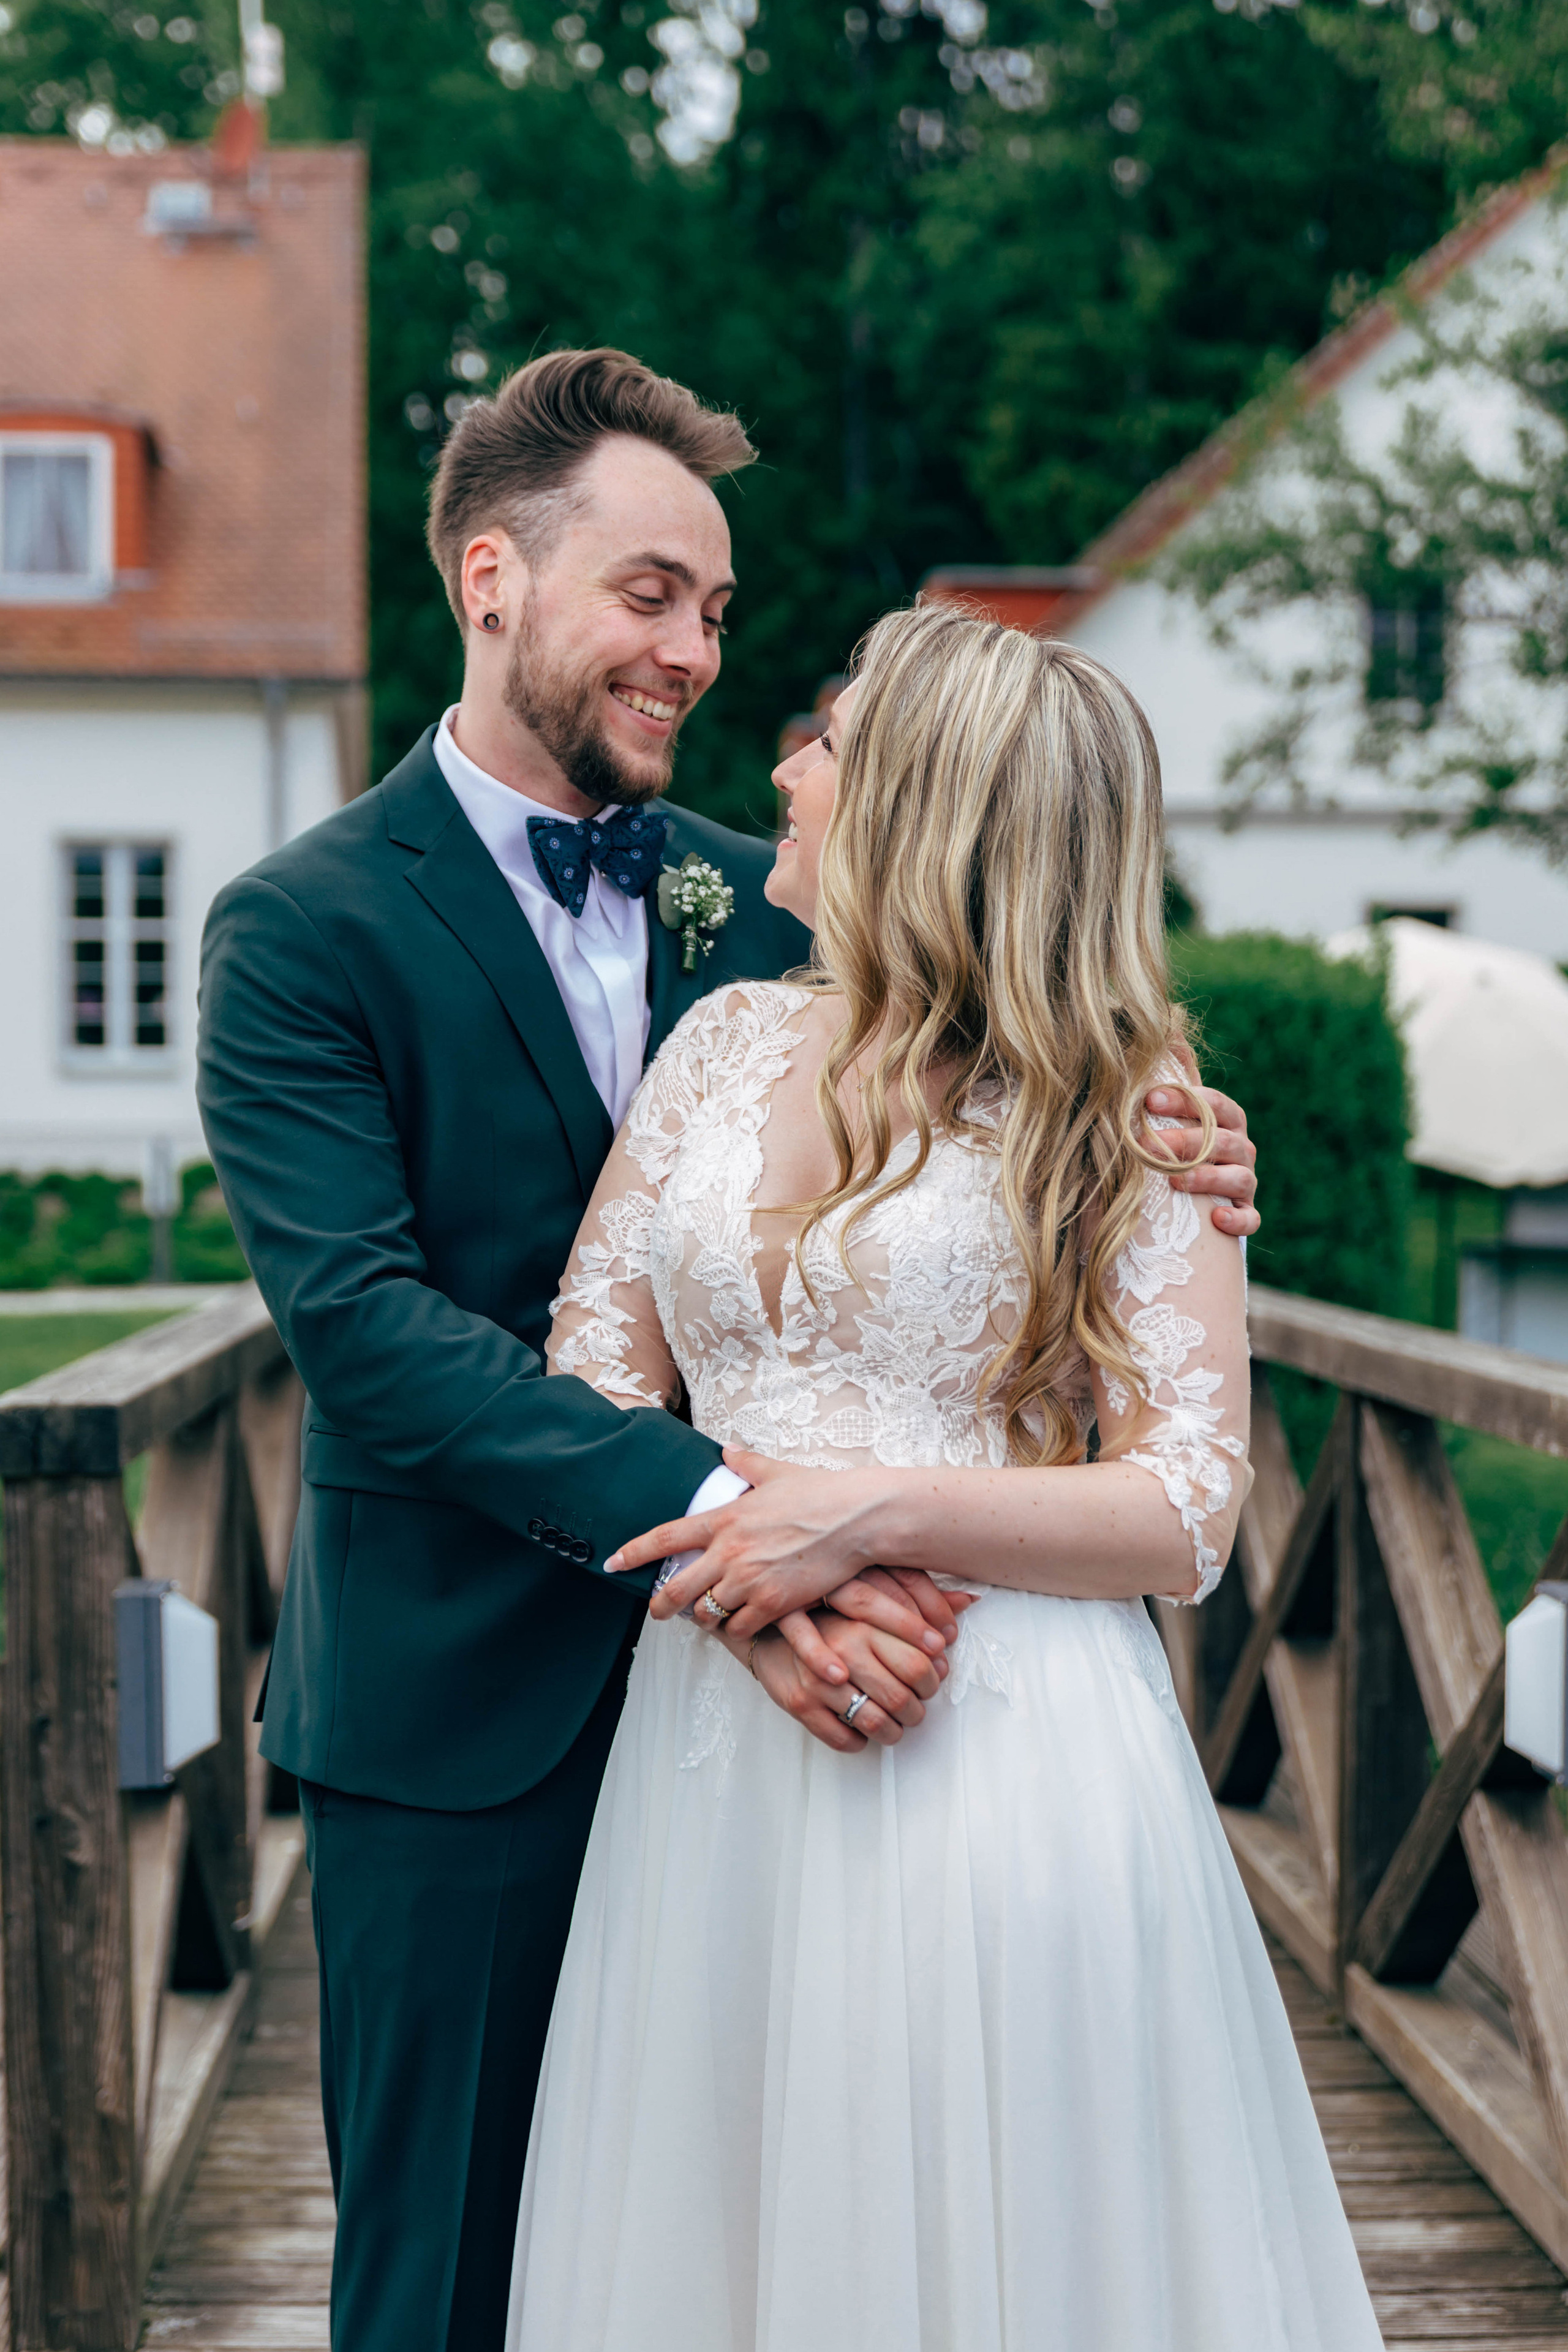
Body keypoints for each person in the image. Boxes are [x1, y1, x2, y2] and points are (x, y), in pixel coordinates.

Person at [197, 349, 1261, 2352]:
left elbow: (1003, 1058)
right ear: (492, 576)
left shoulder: (765, 916)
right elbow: (370, 1331)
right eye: (649, 595)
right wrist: (756, 1542)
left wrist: (1181, 1146)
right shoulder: (303, 929)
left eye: (717, 610)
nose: (694, 656)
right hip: (477, 1717)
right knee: (448, 2284)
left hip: (886, 1729)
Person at [507, 602, 1377, 2351]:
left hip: (1007, 1751)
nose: (780, 769)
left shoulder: (1130, 1103)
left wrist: (873, 1515)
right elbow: (592, 1379)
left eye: (823, 739)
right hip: (721, 1748)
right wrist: (767, 1592)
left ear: (920, 801)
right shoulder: (721, 1049)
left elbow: (1189, 1505)